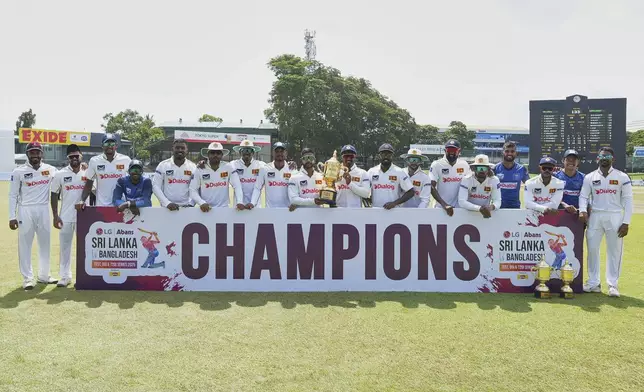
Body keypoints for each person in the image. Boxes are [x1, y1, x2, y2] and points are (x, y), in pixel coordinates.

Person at [579, 147, 633, 297]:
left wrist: (626, 222)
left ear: (613, 159)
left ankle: (612, 285)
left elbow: (628, 200)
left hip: (615, 216)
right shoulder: (590, 177)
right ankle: (593, 283)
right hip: (595, 216)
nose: (604, 158)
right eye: (602, 156)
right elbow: (583, 196)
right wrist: (583, 210)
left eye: (608, 156)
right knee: (592, 250)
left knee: (614, 252)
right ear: (598, 159)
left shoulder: (622, 176)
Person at [8, 142, 58, 289]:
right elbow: (12, 195)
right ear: (27, 154)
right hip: (26, 210)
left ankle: (44, 275)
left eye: (37, 152)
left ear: (42, 153)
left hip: (43, 209)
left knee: (45, 244)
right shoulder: (18, 171)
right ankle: (27, 279)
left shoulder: (50, 169)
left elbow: (64, 177)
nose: (35, 155)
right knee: (25, 245)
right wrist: (12, 216)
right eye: (32, 152)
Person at [50, 144, 88, 287]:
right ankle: (65, 276)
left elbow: (95, 191)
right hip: (65, 216)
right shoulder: (60, 174)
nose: (74, 159)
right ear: (67, 158)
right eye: (71, 157)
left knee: (84, 247)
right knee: (65, 247)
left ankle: (83, 276)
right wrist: (55, 215)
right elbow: (54, 194)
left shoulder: (88, 172)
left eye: (76, 156)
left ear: (81, 156)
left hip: (84, 216)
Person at [78, 133, 131, 209]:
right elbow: (89, 183)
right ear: (102, 146)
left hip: (121, 206)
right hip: (102, 206)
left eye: (112, 143)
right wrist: (82, 200)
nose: (109, 146)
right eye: (106, 143)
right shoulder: (94, 161)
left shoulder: (126, 160)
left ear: (116, 146)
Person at [190, 142, 244, 211]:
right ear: (208, 155)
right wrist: (202, 203)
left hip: (224, 209)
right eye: (212, 153)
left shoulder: (228, 167)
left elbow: (237, 185)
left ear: (222, 155)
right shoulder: (199, 168)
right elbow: (192, 190)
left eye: (218, 153)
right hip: (206, 209)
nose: (215, 155)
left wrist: (239, 201)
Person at [429, 139, 471, 215]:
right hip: (441, 208)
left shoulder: (464, 164)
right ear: (445, 151)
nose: (451, 153)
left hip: (460, 209)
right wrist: (444, 204)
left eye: (454, 150)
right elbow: (431, 186)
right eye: (449, 150)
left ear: (459, 151)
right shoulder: (436, 164)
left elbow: (471, 184)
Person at [366, 143, 414, 209]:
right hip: (376, 211)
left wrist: (394, 203)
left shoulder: (399, 172)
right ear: (379, 155)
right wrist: (366, 199)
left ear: (392, 155)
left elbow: (411, 192)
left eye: (389, 154)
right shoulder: (371, 171)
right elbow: (364, 189)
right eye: (383, 153)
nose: (386, 156)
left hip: (394, 212)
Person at [152, 138, 196, 210]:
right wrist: (167, 203)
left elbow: (196, 188)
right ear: (173, 149)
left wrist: (191, 204)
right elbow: (156, 186)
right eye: (177, 148)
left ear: (187, 150)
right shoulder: (163, 165)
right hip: (167, 208)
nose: (180, 150)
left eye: (182, 148)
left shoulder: (193, 166)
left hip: (187, 208)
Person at [249, 142, 292, 209]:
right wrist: (252, 203)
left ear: (286, 153)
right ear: (273, 153)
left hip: (287, 210)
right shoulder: (265, 169)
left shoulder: (291, 169)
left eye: (282, 151)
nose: (279, 153)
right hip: (270, 211)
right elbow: (257, 188)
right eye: (277, 151)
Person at [458, 154, 501, 218]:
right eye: (479, 168)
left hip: (485, 214)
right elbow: (462, 202)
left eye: (484, 168)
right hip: (468, 214)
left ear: (489, 169)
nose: (481, 171)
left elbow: (497, 201)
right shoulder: (466, 179)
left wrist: (490, 207)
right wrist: (479, 208)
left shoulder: (494, 180)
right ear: (473, 168)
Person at [229, 139, 266, 208]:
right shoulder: (233, 164)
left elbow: (274, 168)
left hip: (255, 207)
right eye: (244, 150)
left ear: (253, 152)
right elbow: (219, 166)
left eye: (249, 150)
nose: (247, 152)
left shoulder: (261, 165)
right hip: (239, 206)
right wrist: (204, 163)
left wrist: (290, 165)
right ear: (240, 152)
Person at [494, 141, 530, 209]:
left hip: (515, 206)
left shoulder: (521, 169)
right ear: (503, 152)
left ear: (516, 153)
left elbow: (530, 185)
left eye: (512, 151)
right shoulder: (495, 168)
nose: (509, 153)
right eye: (507, 151)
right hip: (498, 207)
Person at [554, 149, 585, 213]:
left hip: (578, 213)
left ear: (578, 162)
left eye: (574, 160)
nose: (571, 162)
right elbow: (551, 196)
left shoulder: (583, 178)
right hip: (559, 212)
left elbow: (585, 197)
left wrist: (580, 210)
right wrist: (564, 205)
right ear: (563, 160)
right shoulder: (555, 177)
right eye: (568, 160)